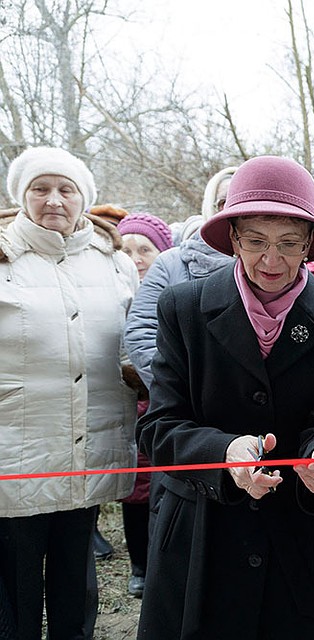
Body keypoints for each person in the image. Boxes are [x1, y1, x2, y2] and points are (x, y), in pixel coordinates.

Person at [135, 155, 314, 639]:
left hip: (296, 538)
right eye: (256, 242)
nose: (271, 261)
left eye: (288, 244)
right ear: (233, 238)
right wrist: (224, 453)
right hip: (201, 533)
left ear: (309, 244)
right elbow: (158, 426)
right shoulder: (184, 308)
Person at [0, 146, 139, 638]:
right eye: (40, 188)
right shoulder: (2, 255)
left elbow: (132, 344)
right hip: (17, 447)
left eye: (66, 189)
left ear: (84, 198)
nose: (54, 200)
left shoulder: (114, 262)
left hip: (90, 441)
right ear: (22, 197)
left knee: (75, 576)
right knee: (14, 580)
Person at [123, 168, 236, 389]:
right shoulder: (170, 263)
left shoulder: (275, 264)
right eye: (224, 201)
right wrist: (179, 391)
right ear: (210, 207)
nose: (234, 208)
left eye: (243, 198)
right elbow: (141, 332)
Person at [115, 212, 173, 599]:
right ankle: (139, 564)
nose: (136, 258)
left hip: (162, 400)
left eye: (145, 249)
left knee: (161, 482)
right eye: (126, 249)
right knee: (135, 489)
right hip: (127, 403)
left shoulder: (172, 291)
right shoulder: (111, 291)